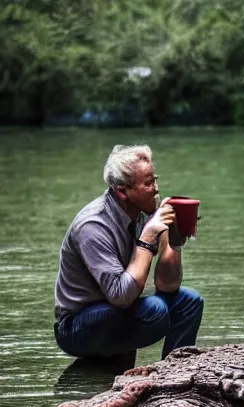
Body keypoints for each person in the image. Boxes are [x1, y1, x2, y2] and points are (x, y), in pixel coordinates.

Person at [53, 145, 203, 366]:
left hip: (117, 309)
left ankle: (175, 376)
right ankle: (107, 362)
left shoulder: (145, 212)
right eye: (148, 183)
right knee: (155, 312)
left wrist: (174, 242)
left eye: (155, 179)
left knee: (189, 302)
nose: (156, 189)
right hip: (77, 324)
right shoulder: (93, 225)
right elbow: (121, 296)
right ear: (122, 191)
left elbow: (167, 285)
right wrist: (148, 236)